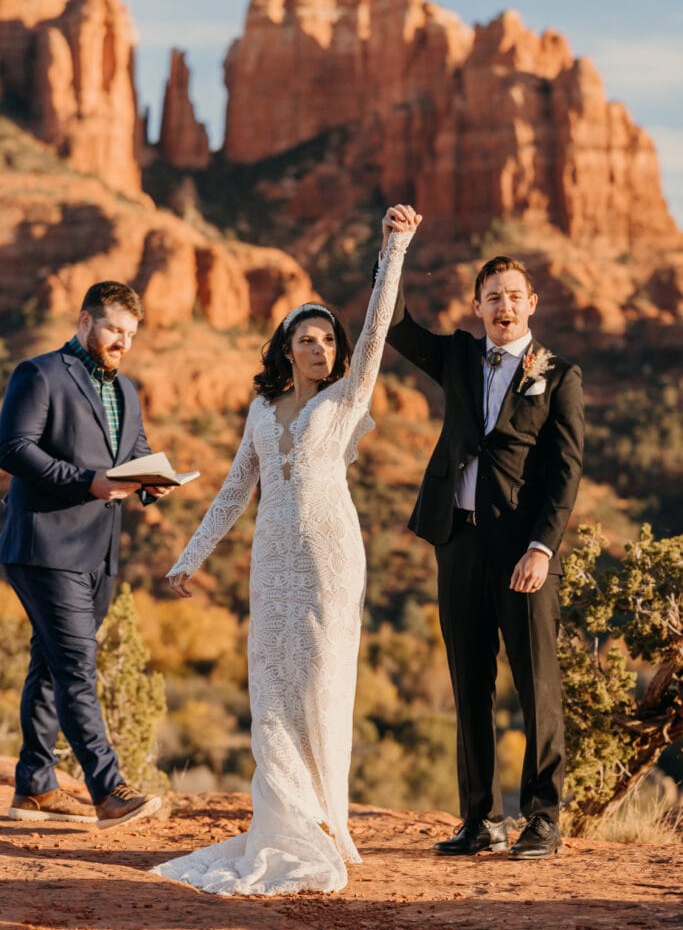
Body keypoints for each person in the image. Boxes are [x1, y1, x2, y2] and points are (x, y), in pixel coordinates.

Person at [152, 207, 421, 896]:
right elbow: (233, 491)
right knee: (271, 689)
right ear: (285, 348)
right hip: (271, 564)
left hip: (332, 561)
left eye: (326, 339)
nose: (319, 349)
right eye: (306, 339)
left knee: (324, 688)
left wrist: (393, 250)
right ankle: (284, 821)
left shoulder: (345, 398)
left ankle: (329, 822)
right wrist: (191, 557)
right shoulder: (259, 411)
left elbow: (374, 333)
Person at [382, 206, 584, 860]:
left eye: (512, 297)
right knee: (469, 684)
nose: (503, 307)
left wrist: (541, 548)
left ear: (532, 305)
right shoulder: (459, 359)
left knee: (535, 686)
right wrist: (395, 248)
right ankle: (477, 820)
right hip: (458, 540)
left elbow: (564, 472)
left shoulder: (557, 376)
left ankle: (542, 821)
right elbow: (392, 326)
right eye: (491, 297)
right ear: (475, 307)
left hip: (522, 551)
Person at [0, 281, 168, 828]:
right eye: (115, 329)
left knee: (50, 664)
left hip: (100, 552)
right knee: (76, 665)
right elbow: (13, 447)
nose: (123, 341)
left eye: (131, 334)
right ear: (84, 322)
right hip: (43, 542)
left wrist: (151, 481)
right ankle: (108, 790)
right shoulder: (40, 373)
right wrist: (85, 482)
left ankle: (35, 788)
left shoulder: (129, 390)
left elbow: (134, 453)